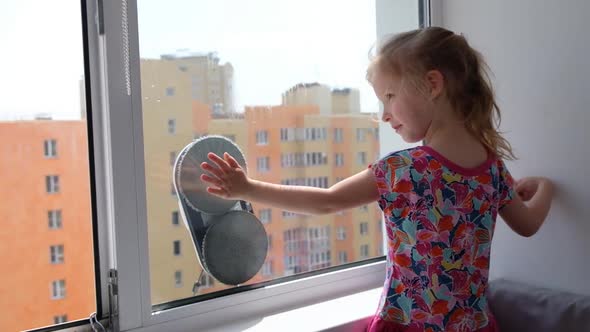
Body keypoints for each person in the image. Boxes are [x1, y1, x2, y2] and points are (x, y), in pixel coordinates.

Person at [199, 27, 555, 332]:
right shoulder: (490, 169)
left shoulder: (402, 170)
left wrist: (248, 188)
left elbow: (326, 201)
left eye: (389, 96)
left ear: (432, 84)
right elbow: (528, 223)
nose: (384, 115)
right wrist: (546, 188)